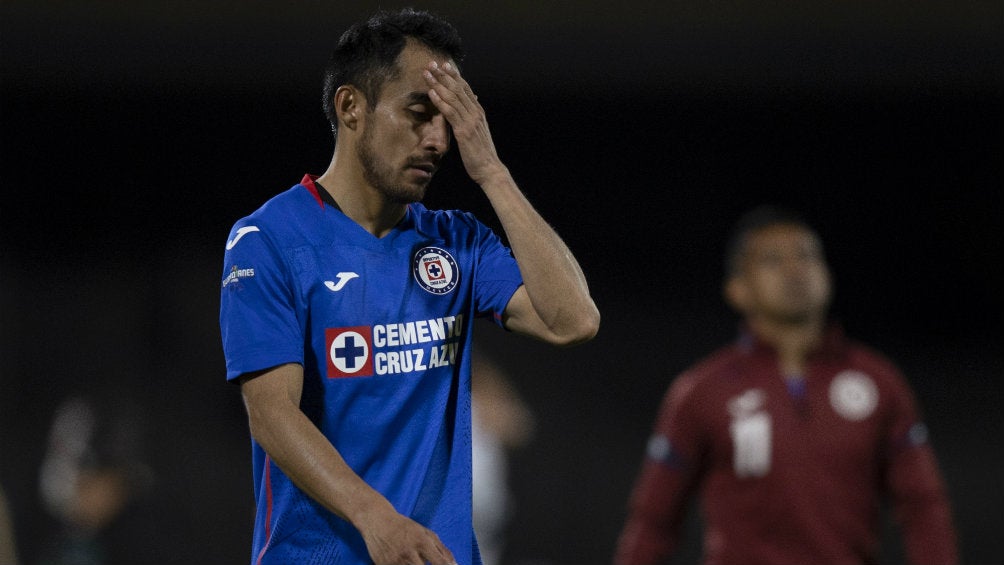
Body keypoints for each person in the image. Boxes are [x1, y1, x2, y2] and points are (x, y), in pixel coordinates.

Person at [218, 8, 600, 565]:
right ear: (351, 107)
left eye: (449, 121)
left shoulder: (456, 243)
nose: (439, 141)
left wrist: (492, 171)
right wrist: (377, 519)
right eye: (419, 114)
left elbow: (574, 321)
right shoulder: (267, 240)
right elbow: (272, 415)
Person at [613, 206, 957, 565]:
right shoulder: (702, 391)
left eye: (807, 255)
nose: (796, 270)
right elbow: (653, 521)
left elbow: (922, 506)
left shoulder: (879, 382)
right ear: (738, 289)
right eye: (773, 261)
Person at [470, 348, 536, 565]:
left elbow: (521, 427)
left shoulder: (481, 398)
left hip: (482, 525)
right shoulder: (433, 406)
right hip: (441, 518)